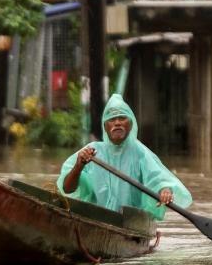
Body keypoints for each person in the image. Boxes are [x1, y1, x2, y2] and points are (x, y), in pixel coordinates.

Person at [56, 94, 192, 220]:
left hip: (129, 221)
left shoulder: (140, 153)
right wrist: (78, 166)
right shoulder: (91, 152)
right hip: (97, 217)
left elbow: (159, 179)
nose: (117, 123)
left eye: (122, 118)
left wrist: (165, 191)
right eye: (112, 119)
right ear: (105, 125)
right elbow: (67, 189)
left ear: (131, 124)